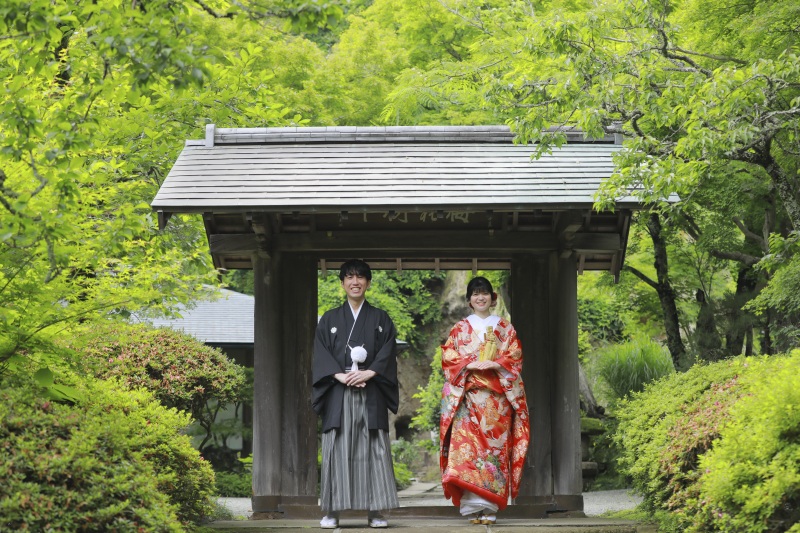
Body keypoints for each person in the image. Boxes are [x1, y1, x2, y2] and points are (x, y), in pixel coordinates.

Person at [312, 259, 399, 529]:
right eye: (349, 277)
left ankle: (375, 512)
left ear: (368, 283)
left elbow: (388, 352)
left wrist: (369, 373)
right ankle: (332, 512)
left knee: (373, 449)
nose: (355, 281)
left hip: (370, 392)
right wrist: (339, 375)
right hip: (339, 393)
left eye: (360, 277)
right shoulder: (329, 319)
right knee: (336, 448)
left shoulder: (380, 318)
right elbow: (320, 352)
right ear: (342, 283)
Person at [439, 276, 530, 525]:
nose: (480, 297)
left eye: (485, 293)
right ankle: (473, 506)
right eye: (475, 293)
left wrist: (496, 363)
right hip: (468, 401)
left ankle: (490, 508)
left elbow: (515, 356)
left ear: (493, 297)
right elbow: (448, 357)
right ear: (469, 300)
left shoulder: (505, 328)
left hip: (496, 402)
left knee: (493, 453)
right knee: (468, 452)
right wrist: (469, 363)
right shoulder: (459, 329)